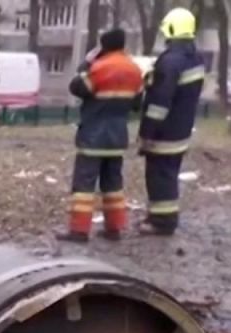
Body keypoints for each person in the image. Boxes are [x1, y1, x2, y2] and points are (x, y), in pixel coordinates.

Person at [63, 27, 144, 243]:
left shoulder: (99, 68)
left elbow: (77, 88)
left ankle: (79, 231)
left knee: (84, 186)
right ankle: (114, 228)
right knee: (113, 185)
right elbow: (137, 104)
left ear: (104, 45)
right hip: (117, 137)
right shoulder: (134, 69)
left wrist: (86, 63)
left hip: (94, 135)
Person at [138, 7, 206, 237]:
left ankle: (162, 222)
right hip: (181, 129)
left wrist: (148, 131)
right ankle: (162, 216)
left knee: (159, 177)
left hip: (164, 133)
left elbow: (160, 101)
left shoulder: (169, 62)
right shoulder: (194, 58)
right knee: (168, 175)